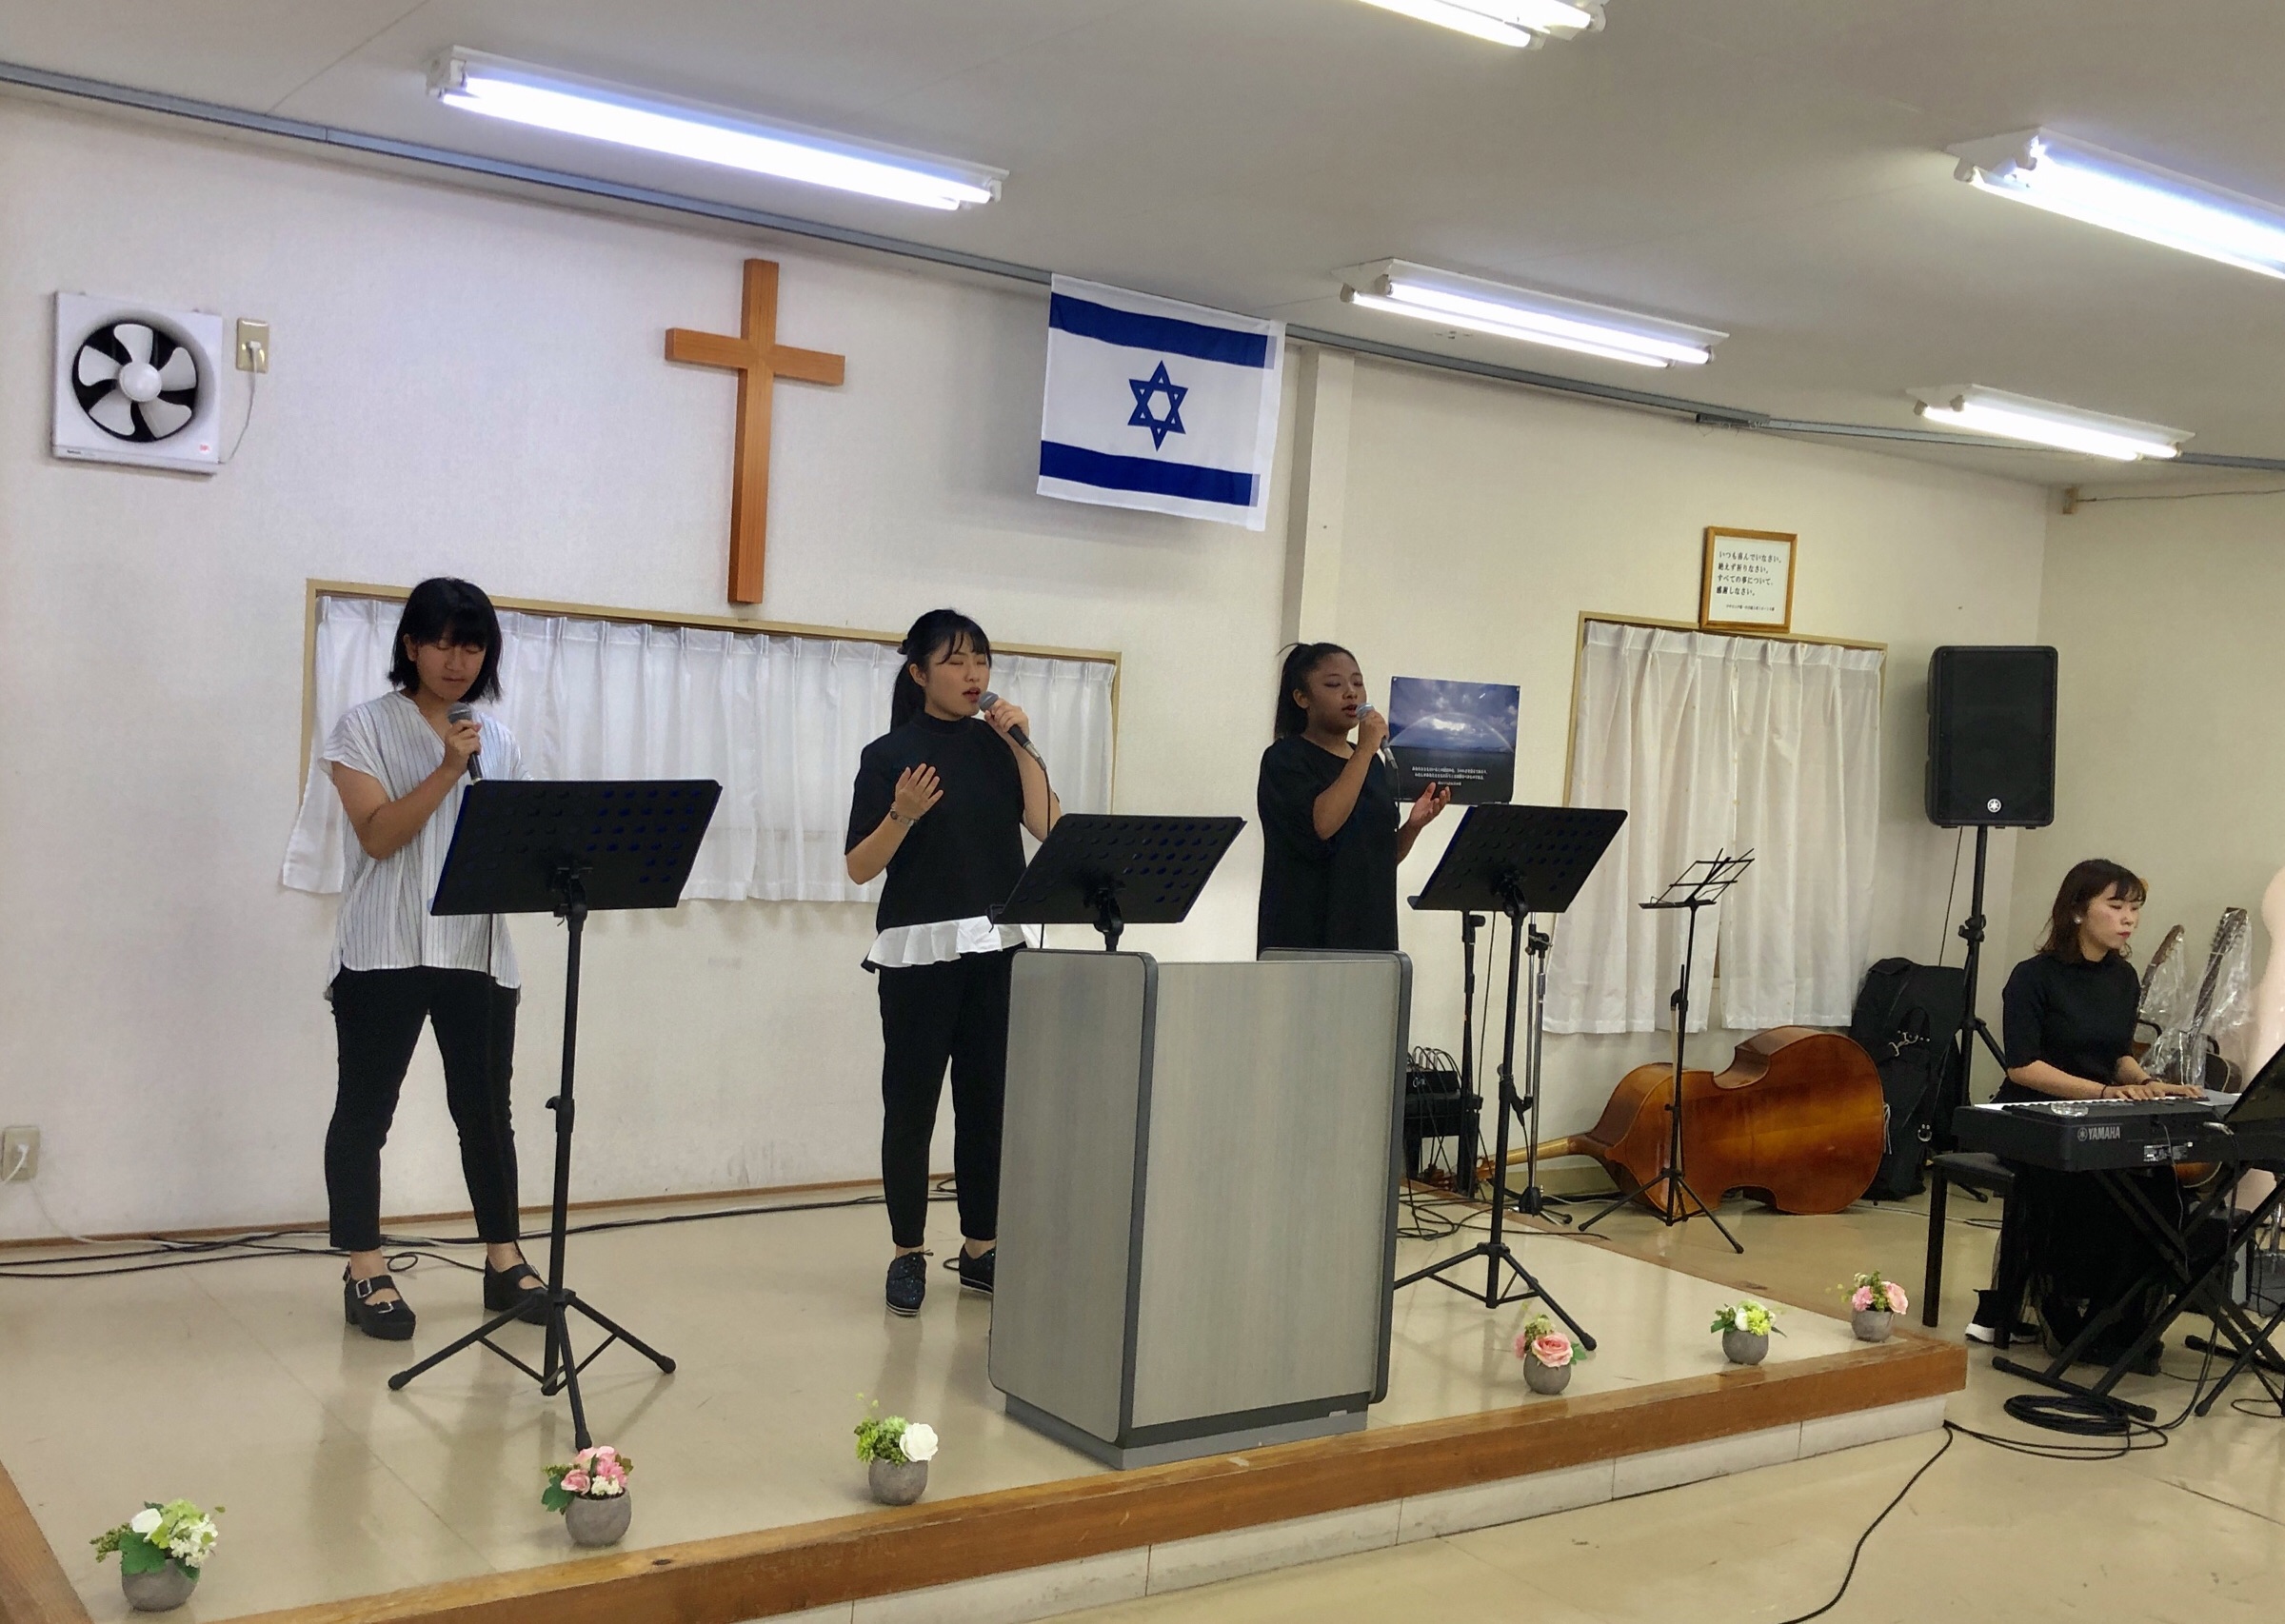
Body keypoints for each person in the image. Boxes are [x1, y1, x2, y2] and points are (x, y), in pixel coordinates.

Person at [322, 578, 546, 1341]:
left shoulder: (500, 740)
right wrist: (448, 769)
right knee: (366, 1110)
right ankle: (365, 1267)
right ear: (411, 646)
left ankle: (504, 1259)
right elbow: (379, 836)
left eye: (472, 646)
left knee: (486, 1113)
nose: (457, 662)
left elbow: (516, 847)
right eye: (443, 644)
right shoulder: (362, 727)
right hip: (383, 948)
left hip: (475, 951)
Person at [845, 610, 1060, 1317]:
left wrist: (1023, 746)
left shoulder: (1001, 746)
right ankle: (907, 1251)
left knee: (987, 1102)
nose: (974, 675)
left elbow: (1050, 827)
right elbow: (859, 866)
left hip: (996, 946)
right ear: (919, 673)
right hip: (919, 953)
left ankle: (979, 1248)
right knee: (911, 1106)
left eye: (982, 661)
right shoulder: (889, 755)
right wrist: (902, 813)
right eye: (956, 661)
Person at [1971, 859, 2202, 1359]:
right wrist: (2100, 1093)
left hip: (2095, 1110)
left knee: (2155, 1189)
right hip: (2033, 1114)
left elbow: (2116, 1055)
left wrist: (2148, 1083)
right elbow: (2023, 1067)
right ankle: (2064, 1314)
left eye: (2135, 908)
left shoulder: (2123, 978)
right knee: (2085, 1185)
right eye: (2115, 906)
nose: (2128, 918)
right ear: (2078, 910)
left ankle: (2115, 1320)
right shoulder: (2033, 977)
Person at [1256, 643, 1450, 955]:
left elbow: (1379, 859)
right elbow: (1322, 825)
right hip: (1307, 937)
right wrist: (1365, 748)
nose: (1351, 693)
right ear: (1302, 698)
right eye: (1334, 685)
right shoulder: (1285, 759)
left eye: (1357, 683)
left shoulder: (1372, 765)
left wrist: (1413, 827)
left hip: (1371, 936)